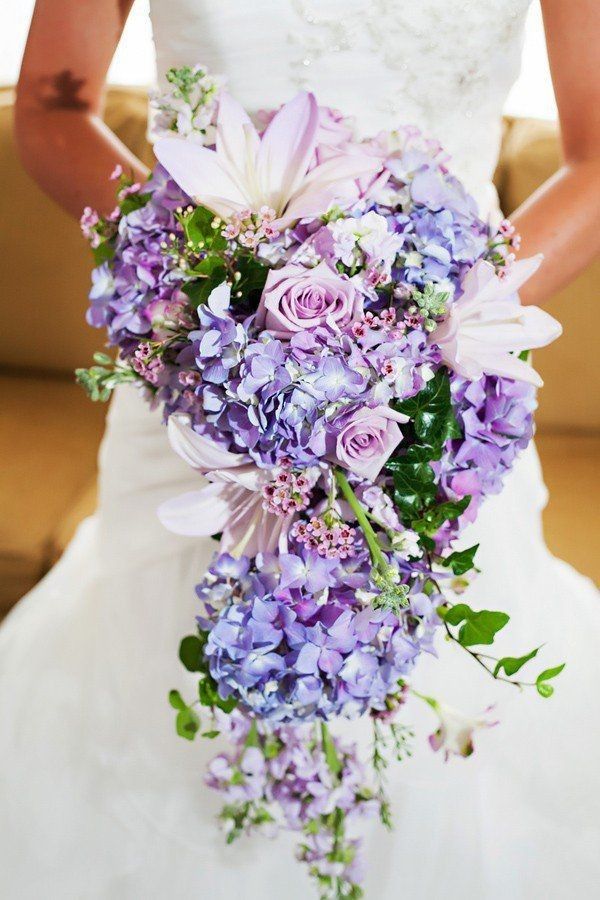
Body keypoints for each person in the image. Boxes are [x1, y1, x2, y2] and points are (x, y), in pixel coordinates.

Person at [2, 1, 599, 897]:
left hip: (441, 373)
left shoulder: (436, 342)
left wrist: (425, 324)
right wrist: (204, 272)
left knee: (437, 724)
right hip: (204, 375)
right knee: (152, 696)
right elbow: (52, 107)